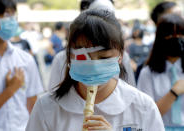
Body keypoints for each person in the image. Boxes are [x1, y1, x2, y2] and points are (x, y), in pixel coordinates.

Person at [26, 9, 165, 131]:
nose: (94, 65)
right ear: (69, 56)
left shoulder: (143, 107)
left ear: (120, 56)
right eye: (84, 58)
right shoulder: (46, 108)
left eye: (103, 57)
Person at [47, 0, 136, 90]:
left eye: (104, 58)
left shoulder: (121, 56)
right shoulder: (61, 58)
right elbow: (53, 93)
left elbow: (131, 88)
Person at [0, 0, 43, 131]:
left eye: (14, 15)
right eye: (6, 16)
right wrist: (11, 90)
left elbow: (33, 107)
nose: (12, 21)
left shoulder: (26, 60)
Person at [137, 14, 184, 130]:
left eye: (180, 33)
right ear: (160, 38)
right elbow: (146, 114)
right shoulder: (147, 73)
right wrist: (173, 93)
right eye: (170, 35)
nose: (176, 38)